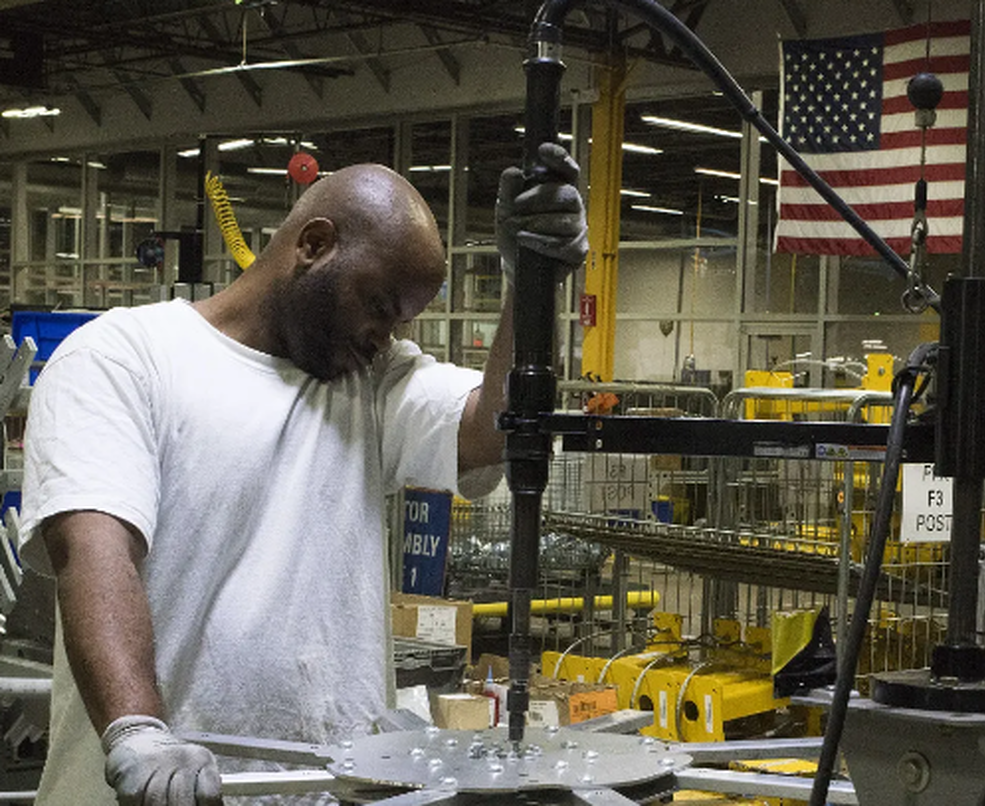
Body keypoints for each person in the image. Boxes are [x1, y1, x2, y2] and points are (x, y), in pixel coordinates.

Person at [17, 142, 588, 805]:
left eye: (400, 319)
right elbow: (95, 553)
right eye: (378, 305)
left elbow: (496, 428)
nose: (385, 334)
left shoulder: (370, 382)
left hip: (322, 792)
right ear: (314, 245)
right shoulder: (122, 359)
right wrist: (138, 730)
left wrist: (531, 288)